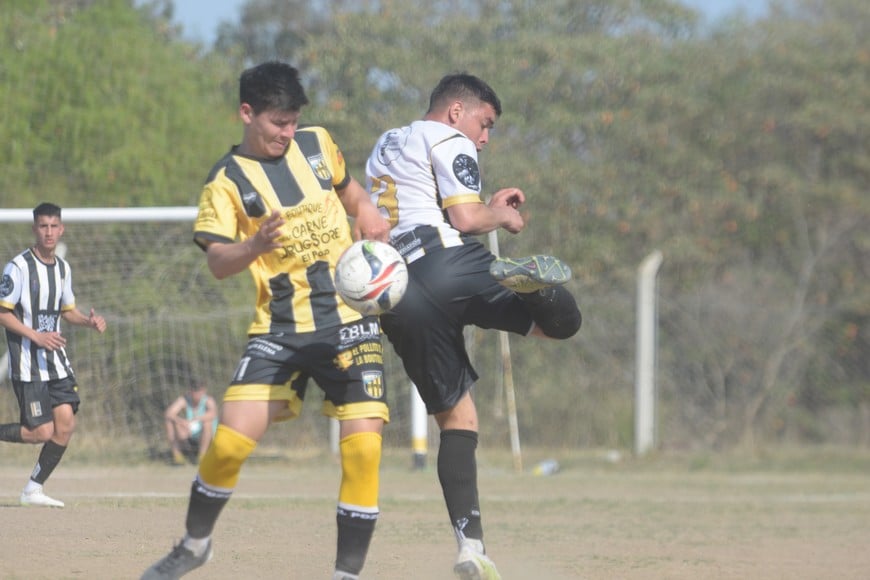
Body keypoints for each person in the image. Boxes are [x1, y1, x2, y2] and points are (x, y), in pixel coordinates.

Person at [141, 61, 391, 580]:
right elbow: (215, 263)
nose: (288, 132)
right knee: (230, 441)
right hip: (279, 327)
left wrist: (366, 211)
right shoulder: (225, 182)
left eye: (294, 120)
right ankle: (194, 545)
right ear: (246, 113)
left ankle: (346, 575)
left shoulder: (319, 144)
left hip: (350, 319)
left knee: (364, 448)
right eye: (278, 122)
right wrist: (254, 244)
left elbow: (353, 195)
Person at [365, 73, 582, 580]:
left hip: (398, 291)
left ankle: (471, 550)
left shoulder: (388, 141)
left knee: (457, 423)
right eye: (485, 124)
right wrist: (501, 218)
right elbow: (463, 220)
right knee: (563, 325)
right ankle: (534, 285)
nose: (484, 139)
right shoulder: (449, 137)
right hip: (448, 265)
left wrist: (488, 207)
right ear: (457, 110)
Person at [0, 202, 108, 508]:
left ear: (62, 229)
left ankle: (33, 489)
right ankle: (32, 488)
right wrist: (36, 335)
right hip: (29, 365)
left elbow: (67, 311)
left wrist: (87, 322)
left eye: (54, 226)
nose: (49, 232)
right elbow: (3, 313)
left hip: (57, 363)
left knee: (65, 426)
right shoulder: (18, 267)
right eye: (43, 226)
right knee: (40, 432)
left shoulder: (63, 268)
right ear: (35, 229)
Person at [163, 382, 218, 465]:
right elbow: (169, 413)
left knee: (207, 422)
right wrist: (181, 421)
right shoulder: (184, 400)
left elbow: (213, 414)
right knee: (170, 421)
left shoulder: (208, 400)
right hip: (189, 433)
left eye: (199, 392)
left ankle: (202, 457)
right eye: (194, 392)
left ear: (203, 391)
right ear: (190, 391)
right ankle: (178, 456)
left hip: (208, 436)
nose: (197, 395)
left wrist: (197, 418)